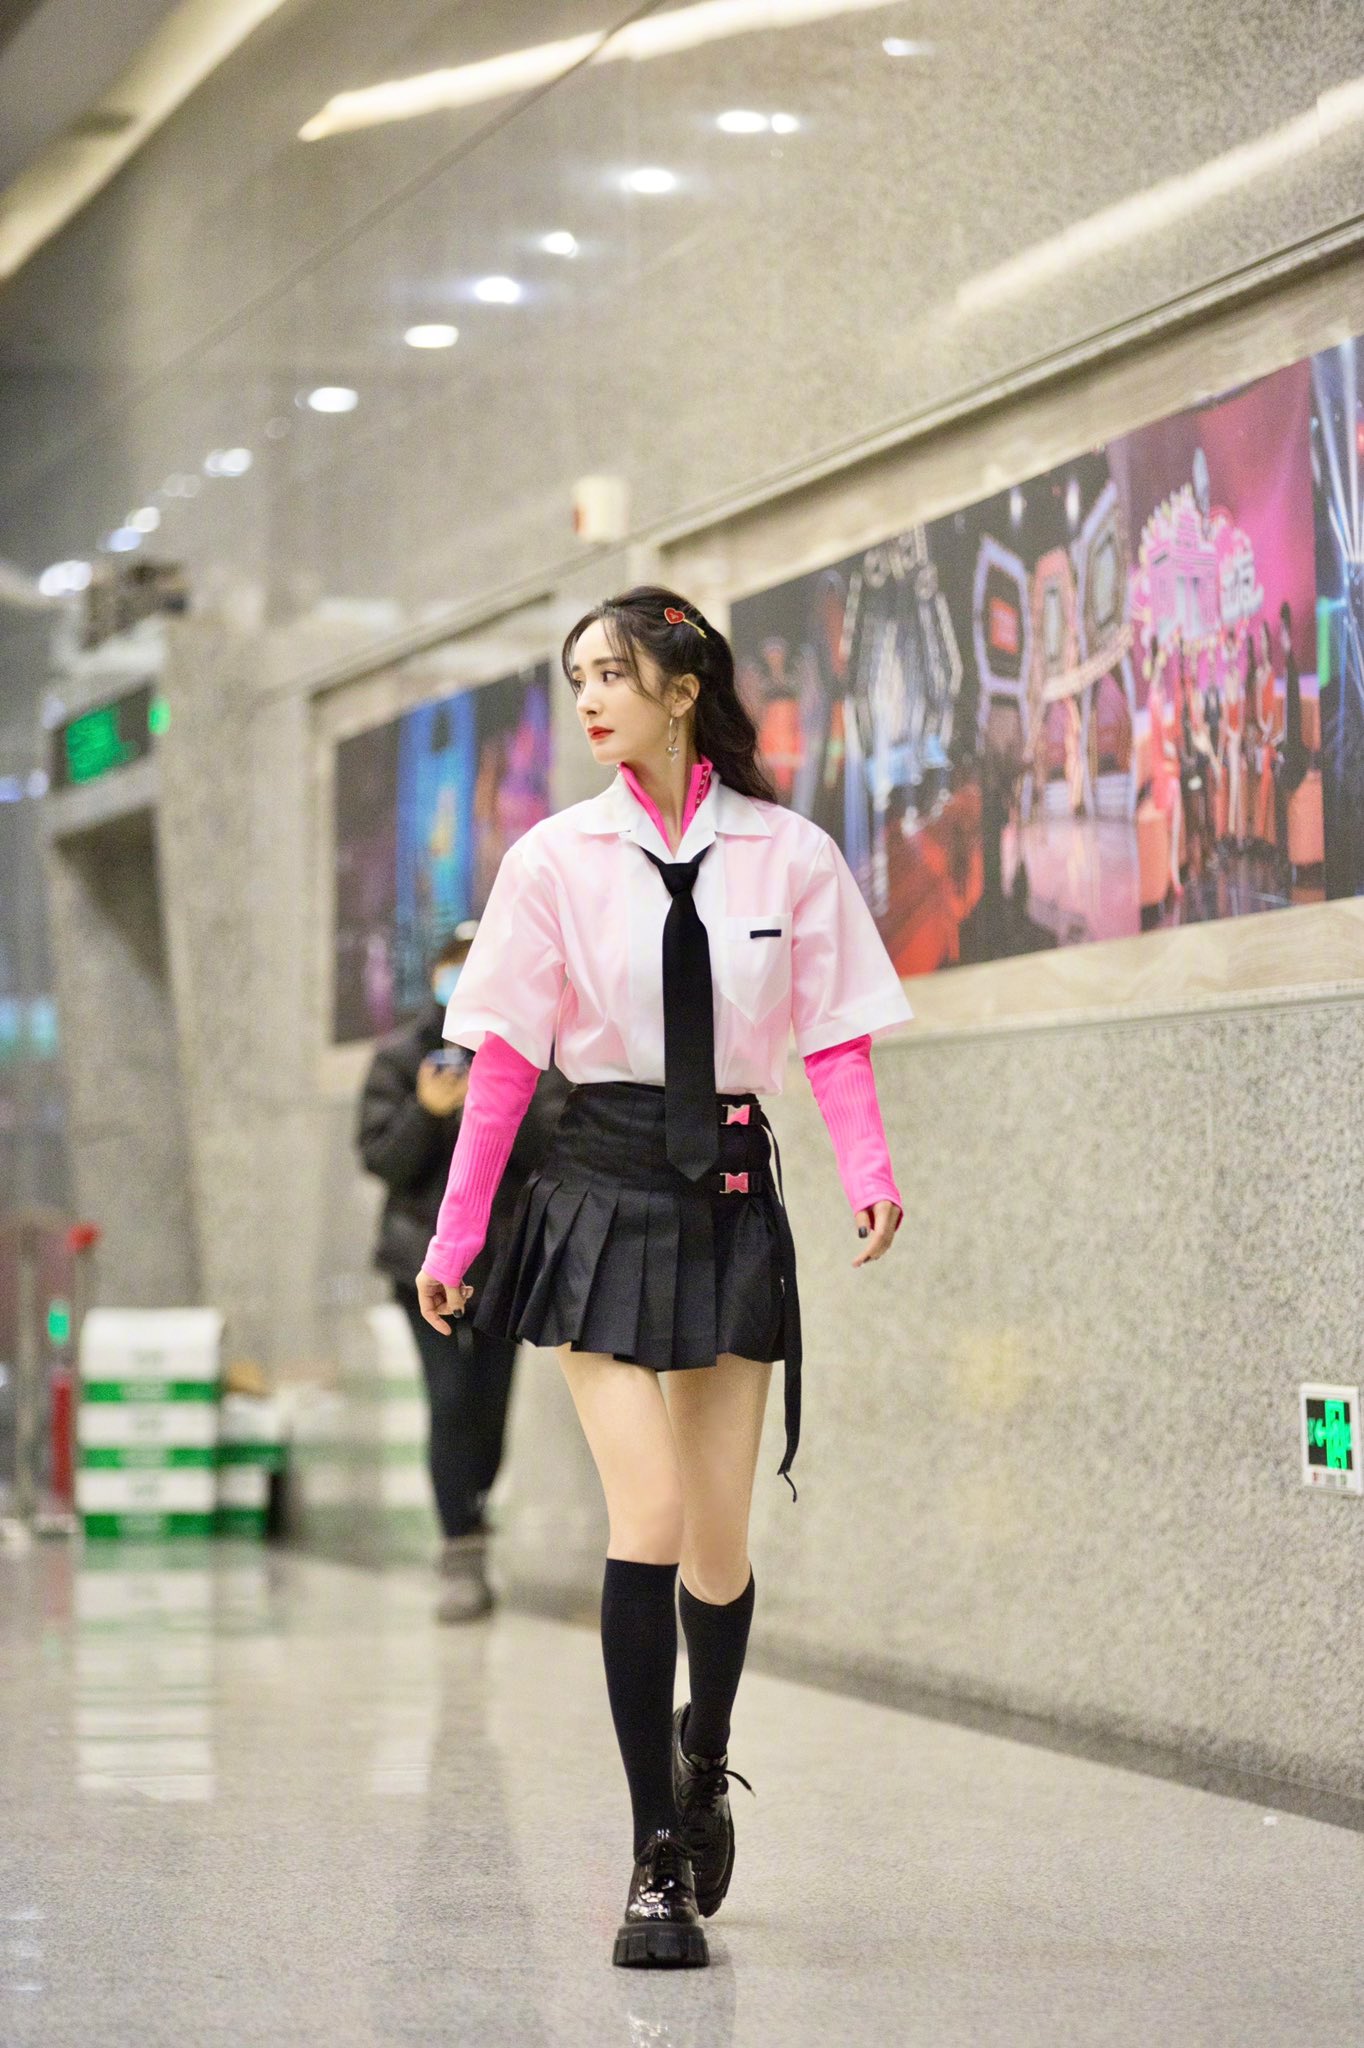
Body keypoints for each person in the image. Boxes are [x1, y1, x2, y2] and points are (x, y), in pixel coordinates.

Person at [414, 586, 912, 1969]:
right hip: (596, 1194)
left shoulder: (788, 853)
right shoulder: (551, 859)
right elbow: (501, 1065)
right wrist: (456, 1240)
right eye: (576, 675)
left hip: (731, 1198)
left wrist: (868, 1168)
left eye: (612, 674)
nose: (587, 698)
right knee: (644, 1513)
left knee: (719, 1542)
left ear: (683, 688)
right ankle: (651, 1859)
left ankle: (706, 1754)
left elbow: (834, 1035)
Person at [357, 926, 566, 1622]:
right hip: (420, 1261)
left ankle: (471, 1509)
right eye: (454, 965)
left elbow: (555, 1144)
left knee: (491, 1409)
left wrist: (494, 1103)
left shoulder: (531, 1052)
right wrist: (427, 1110)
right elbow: (380, 1158)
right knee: (449, 1401)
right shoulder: (400, 1057)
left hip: (506, 1262)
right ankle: (460, 1551)